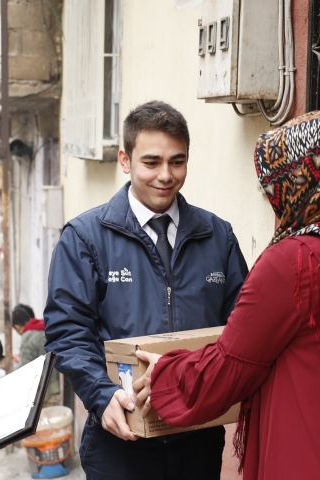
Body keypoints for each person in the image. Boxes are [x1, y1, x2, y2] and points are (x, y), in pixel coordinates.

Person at [134, 109, 320, 480]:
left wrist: (167, 373)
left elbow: (230, 367)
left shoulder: (294, 261)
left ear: (307, 181)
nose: (273, 199)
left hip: (313, 458)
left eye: (275, 186)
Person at [44, 100, 249, 479]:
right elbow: (67, 334)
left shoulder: (218, 237)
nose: (166, 175)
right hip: (120, 441)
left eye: (177, 161)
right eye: (151, 162)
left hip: (199, 437)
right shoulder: (86, 238)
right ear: (125, 159)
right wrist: (101, 395)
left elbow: (242, 330)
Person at [11, 303, 60, 405]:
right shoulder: (43, 327)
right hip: (57, 385)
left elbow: (26, 372)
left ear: (17, 326)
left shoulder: (27, 337)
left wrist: (13, 367)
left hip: (44, 393)